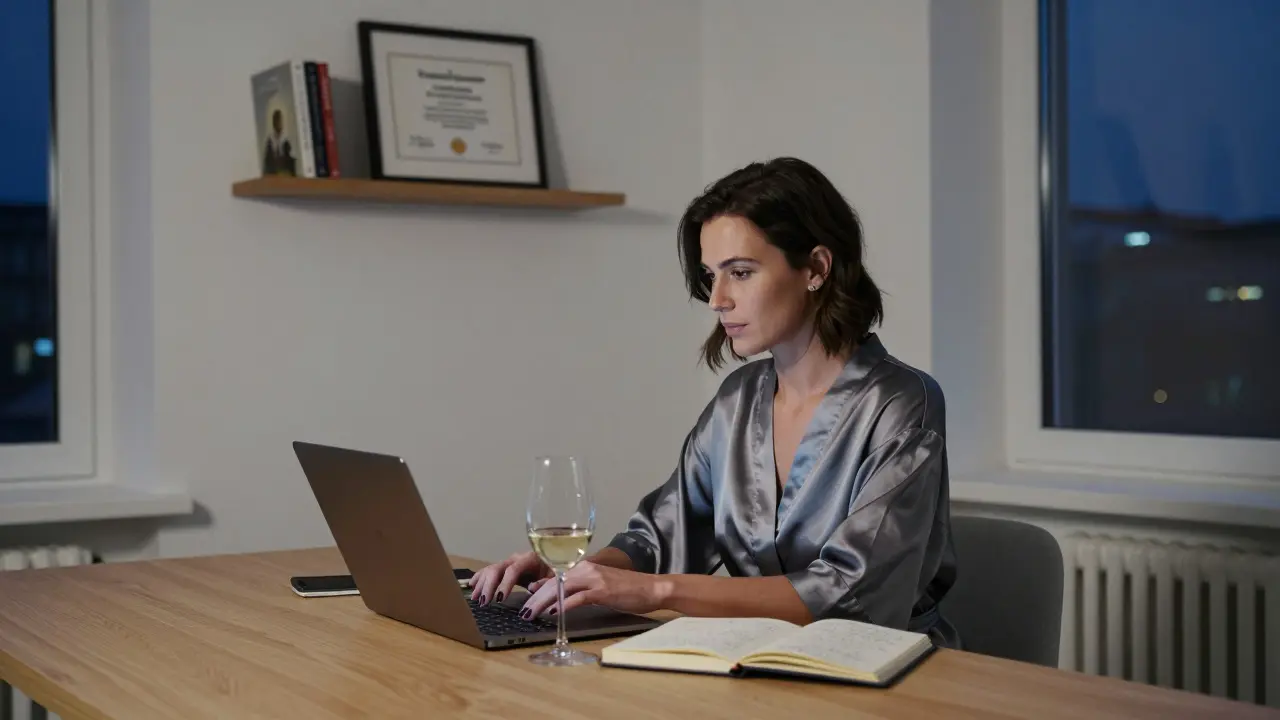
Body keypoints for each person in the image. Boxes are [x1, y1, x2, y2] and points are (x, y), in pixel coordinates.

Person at [468, 157, 959, 648]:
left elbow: (847, 592)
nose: (717, 299)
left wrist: (656, 590)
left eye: (740, 273)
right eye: (711, 276)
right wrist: (573, 569)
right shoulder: (739, 400)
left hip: (883, 671)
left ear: (815, 268)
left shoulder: (901, 404)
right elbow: (658, 539)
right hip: (758, 658)